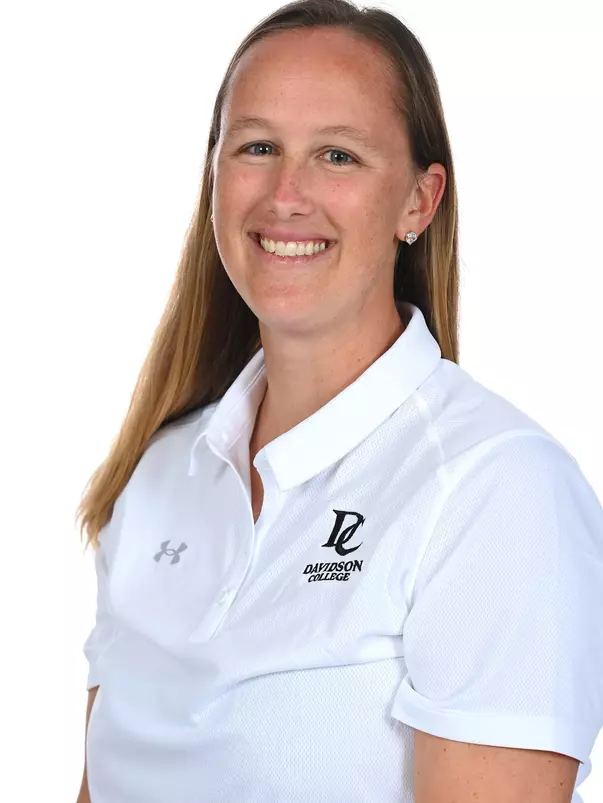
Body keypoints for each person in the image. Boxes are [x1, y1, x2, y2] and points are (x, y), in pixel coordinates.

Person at [75, 1, 603, 802]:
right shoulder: (157, 473)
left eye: (337, 155)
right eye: (257, 147)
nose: (286, 194)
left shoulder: (495, 491)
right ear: (214, 177)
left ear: (418, 203)